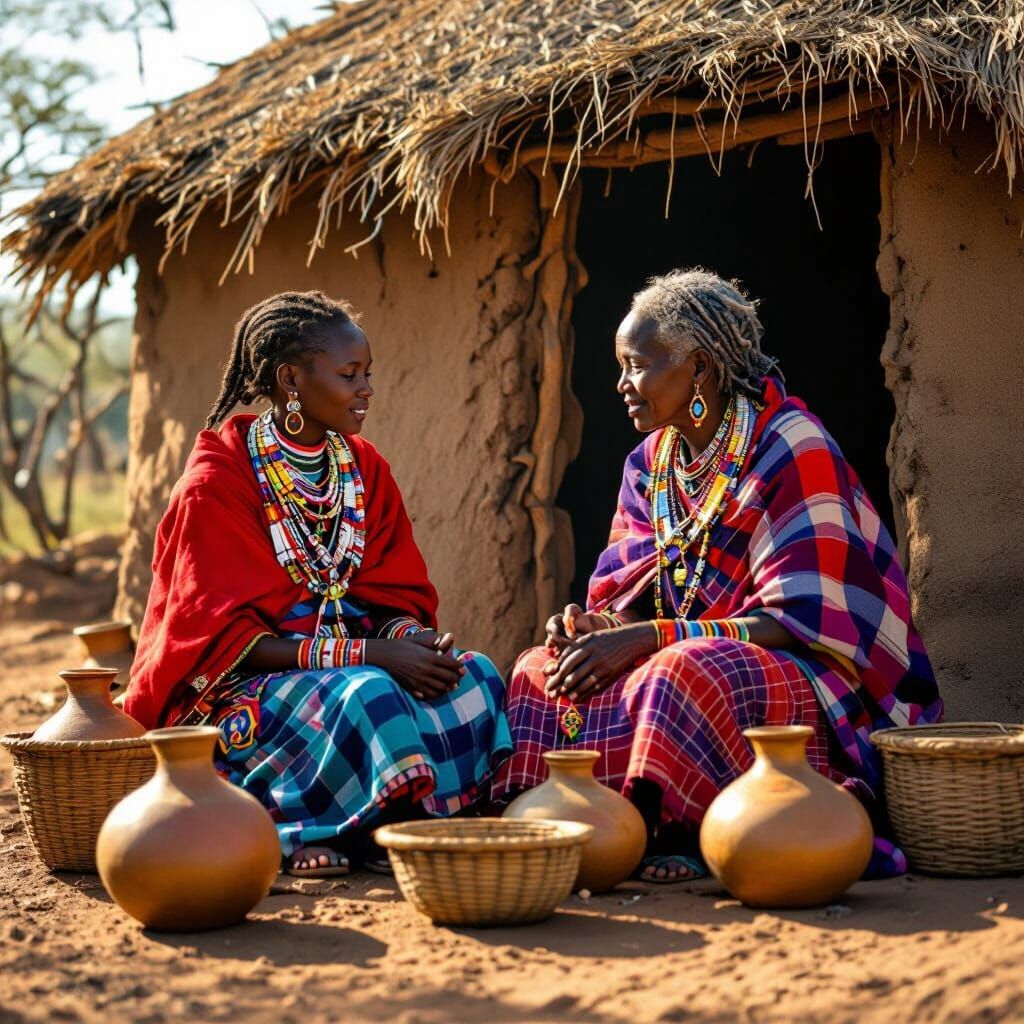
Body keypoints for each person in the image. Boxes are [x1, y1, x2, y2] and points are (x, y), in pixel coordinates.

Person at [492, 268, 941, 883]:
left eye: (637, 365)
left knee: (684, 669)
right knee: (539, 668)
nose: (622, 385)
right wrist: (594, 626)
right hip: (684, 647)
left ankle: (670, 826)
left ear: (699, 368)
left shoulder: (791, 446)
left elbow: (799, 619)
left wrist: (649, 637)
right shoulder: (650, 462)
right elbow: (631, 593)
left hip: (811, 675)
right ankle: (573, 826)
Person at [125, 291, 510, 877]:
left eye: (369, 374)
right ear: (290, 380)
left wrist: (409, 637)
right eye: (350, 374)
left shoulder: (363, 469)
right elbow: (227, 645)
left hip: (352, 669)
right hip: (244, 692)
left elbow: (390, 591)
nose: (366, 389)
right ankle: (314, 825)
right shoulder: (217, 484)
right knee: (367, 695)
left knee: (475, 675)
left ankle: (410, 816)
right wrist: (373, 654)